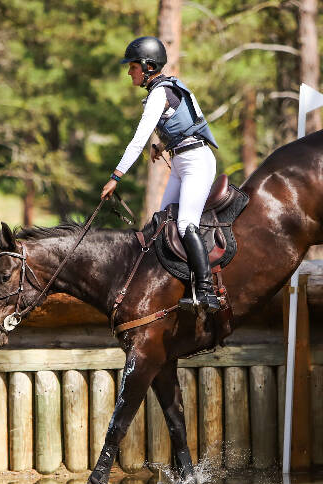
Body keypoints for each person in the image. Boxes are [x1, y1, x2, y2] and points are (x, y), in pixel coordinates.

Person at [101, 36, 221, 312]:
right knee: (162, 225)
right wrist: (163, 145)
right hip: (182, 161)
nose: (129, 72)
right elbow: (186, 125)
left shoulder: (159, 93)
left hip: (196, 162)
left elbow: (137, 140)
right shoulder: (165, 89)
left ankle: (206, 292)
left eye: (132, 67)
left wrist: (116, 176)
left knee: (184, 225)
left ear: (148, 67)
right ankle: (178, 284)